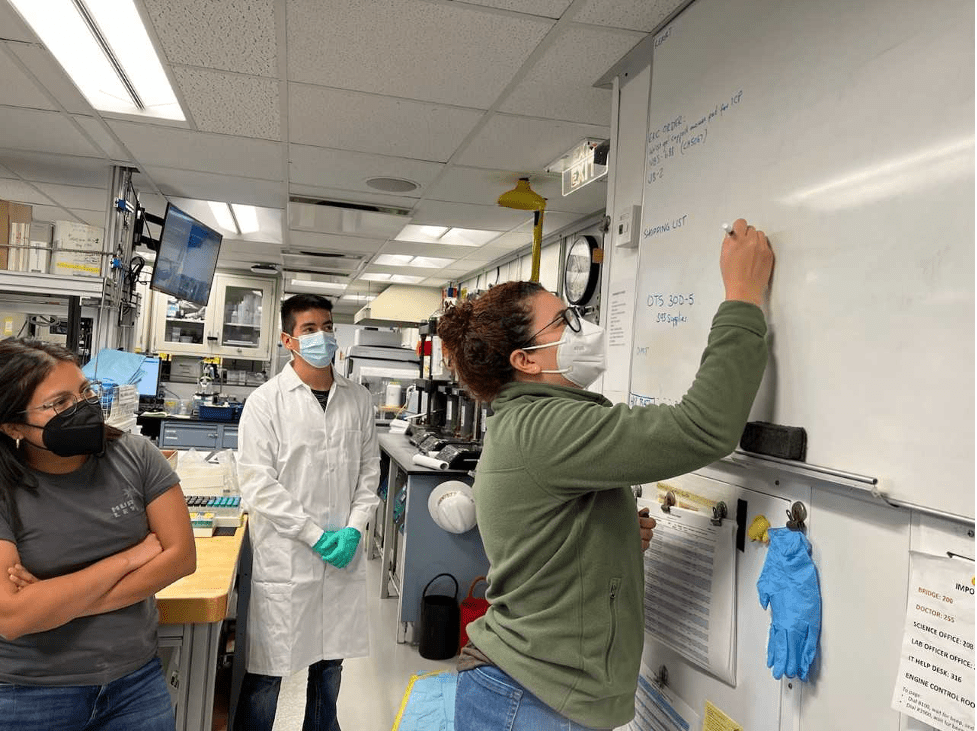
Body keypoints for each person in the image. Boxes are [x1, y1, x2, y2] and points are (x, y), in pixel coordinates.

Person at [437, 218, 774, 731]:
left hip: (529, 692)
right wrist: (743, 298)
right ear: (525, 360)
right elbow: (703, 428)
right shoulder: (546, 426)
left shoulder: (530, 420)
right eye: (563, 321)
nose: (582, 326)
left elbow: (547, 543)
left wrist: (607, 539)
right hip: (530, 699)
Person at [0, 338, 196, 730]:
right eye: (60, 403)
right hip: (29, 693)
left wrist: (51, 604)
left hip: (135, 683)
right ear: (13, 425)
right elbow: (12, 616)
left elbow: (180, 558)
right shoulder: (5, 486)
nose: (83, 406)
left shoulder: (136, 456)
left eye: (85, 391)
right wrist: (129, 558)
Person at [234, 293, 380, 731]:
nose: (323, 337)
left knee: (330, 669)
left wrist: (354, 529)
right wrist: (314, 536)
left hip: (341, 556)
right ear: (288, 340)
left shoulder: (358, 399)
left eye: (328, 327)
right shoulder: (266, 401)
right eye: (310, 329)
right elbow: (258, 483)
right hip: (288, 556)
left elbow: (368, 473)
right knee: (267, 674)